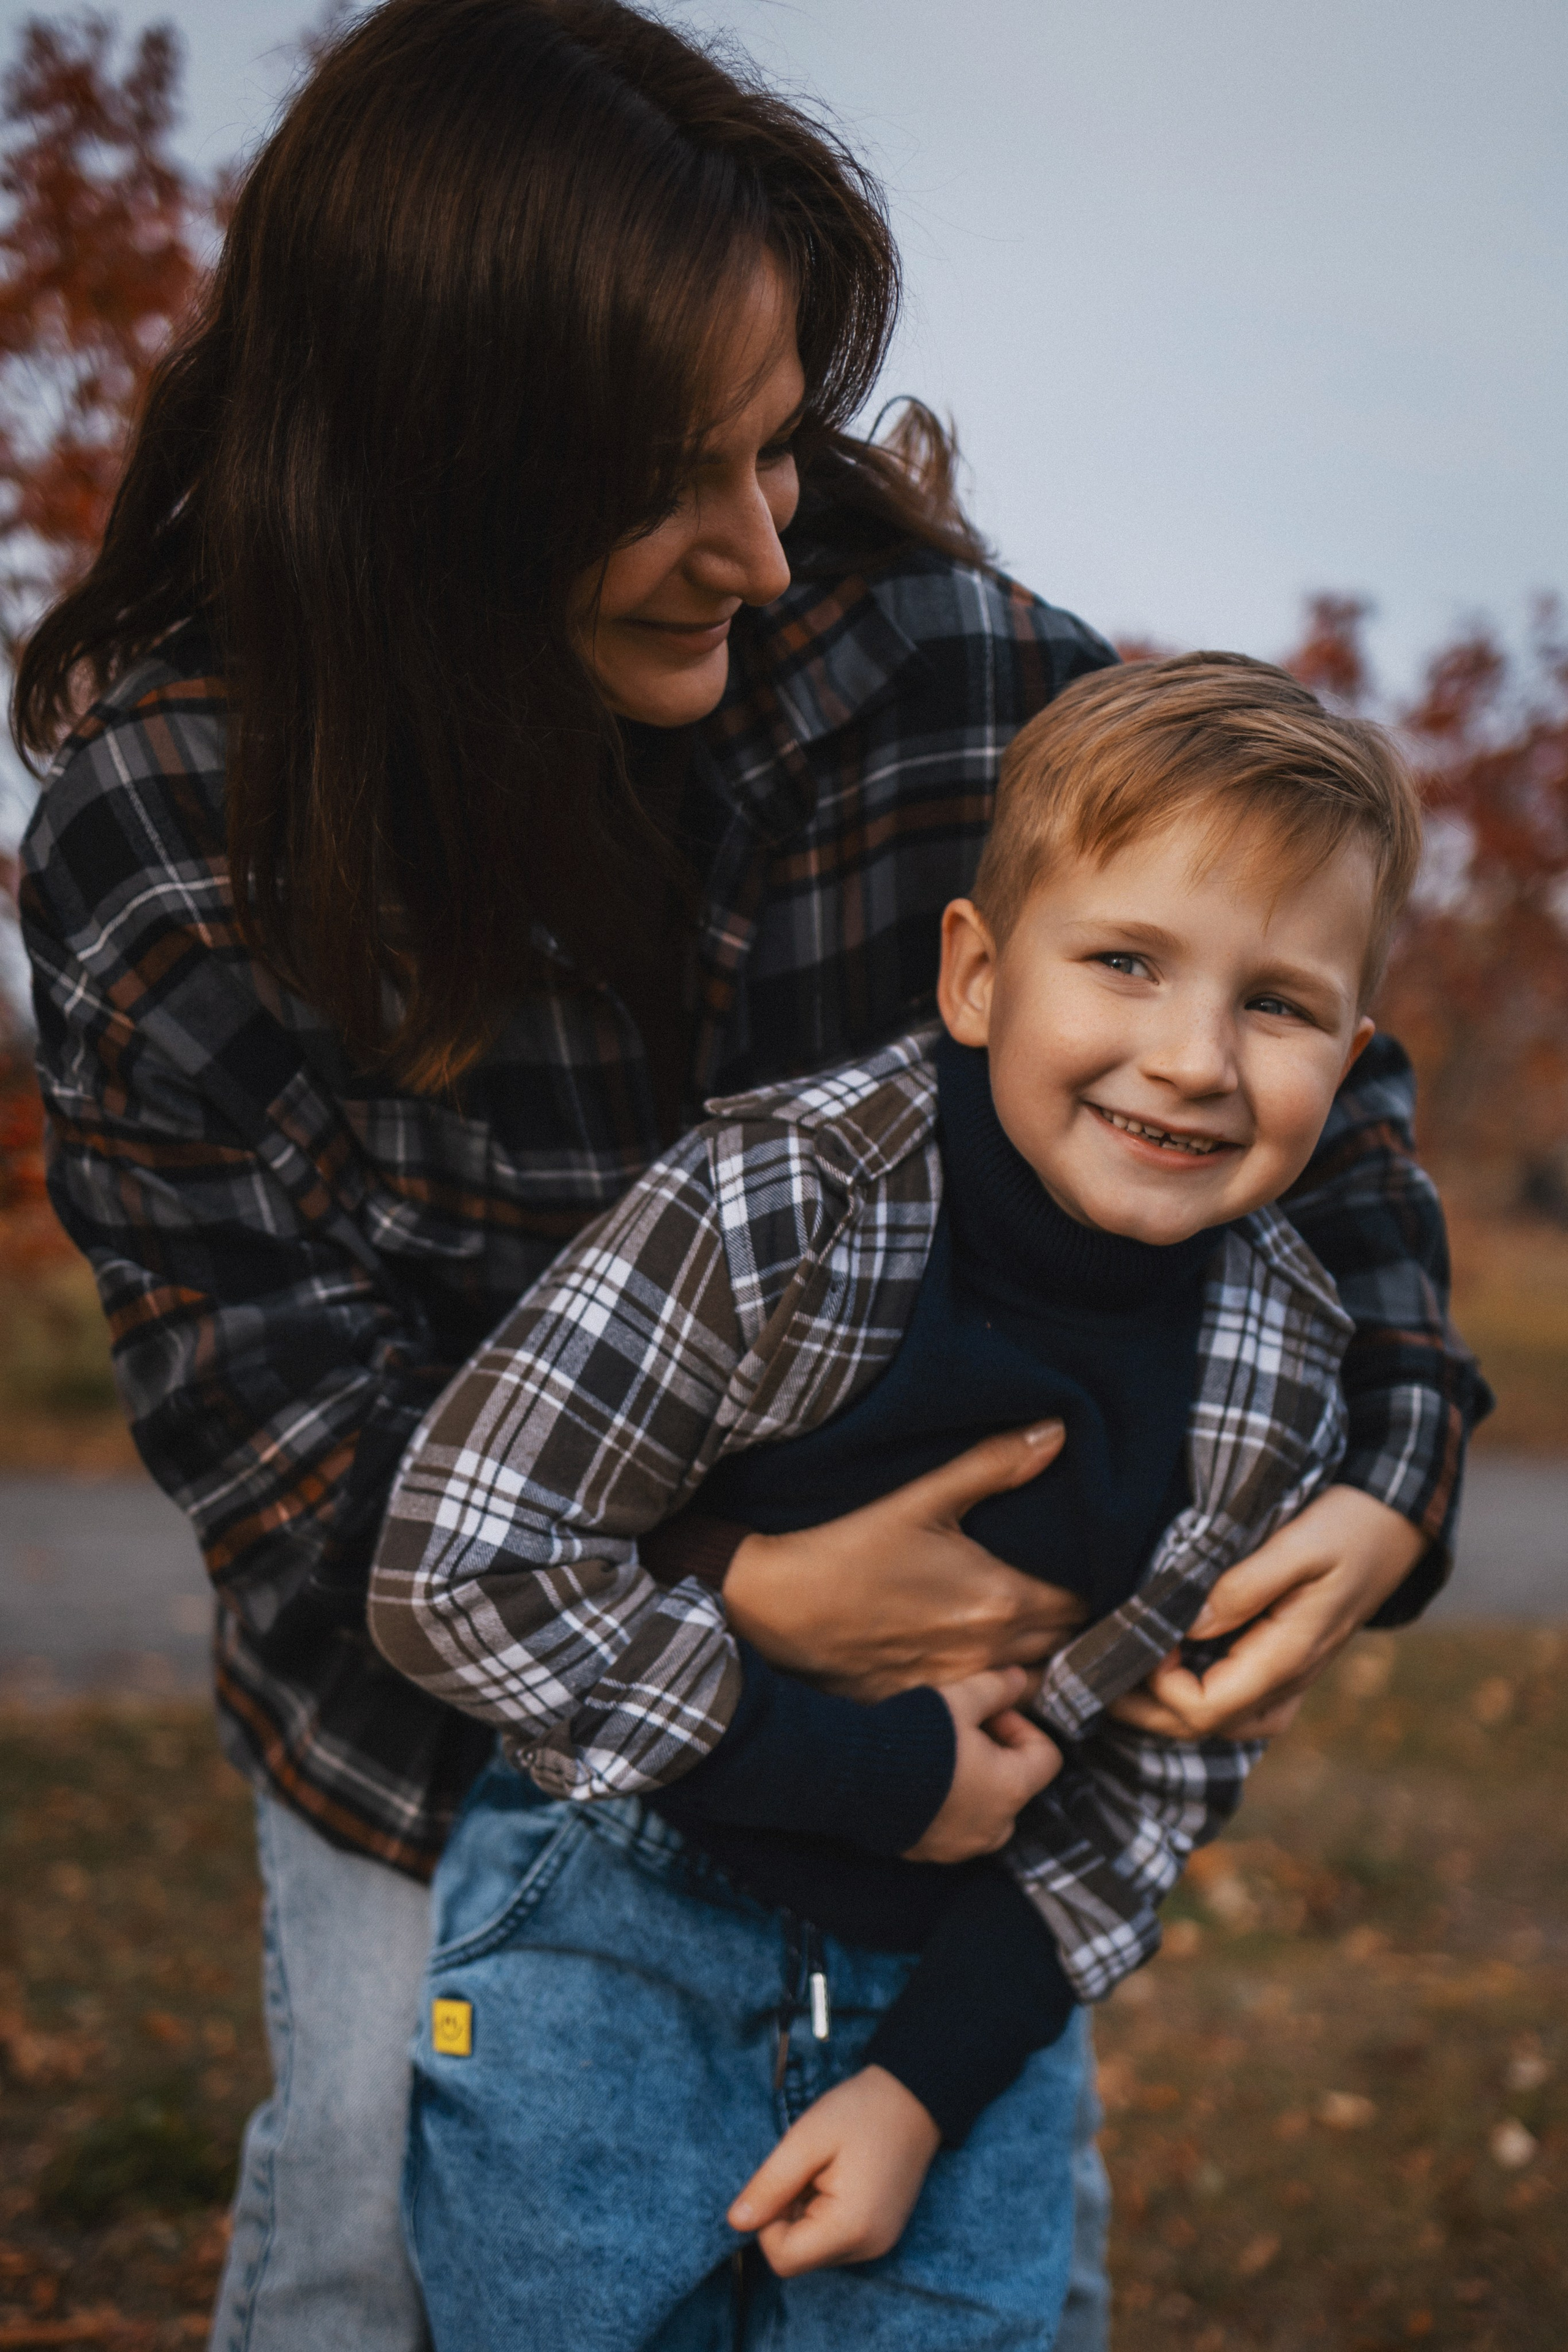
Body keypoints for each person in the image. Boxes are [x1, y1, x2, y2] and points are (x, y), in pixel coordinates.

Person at [10, 4, 1481, 2348]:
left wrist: (1401, 1448)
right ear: (431, 481)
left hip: (965, 1788)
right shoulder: (166, 840)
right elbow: (286, 1452)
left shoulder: (938, 673)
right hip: (452, 1717)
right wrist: (747, 1606)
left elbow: (1300, 1059)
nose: (763, 540)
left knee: (942, 2266)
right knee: (374, 2255)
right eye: (673, 480)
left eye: (779, 443)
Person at [369, 652, 1428, 2347]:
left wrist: (924, 2088)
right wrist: (878, 1771)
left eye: (1279, 1005)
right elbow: (458, 1571)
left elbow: (1160, 1774)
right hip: (614, 1902)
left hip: (958, 1991)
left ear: (1349, 1050)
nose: (1195, 1058)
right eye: (1128, 964)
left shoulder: (1280, 1368)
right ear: (979, 974)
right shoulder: (777, 1201)